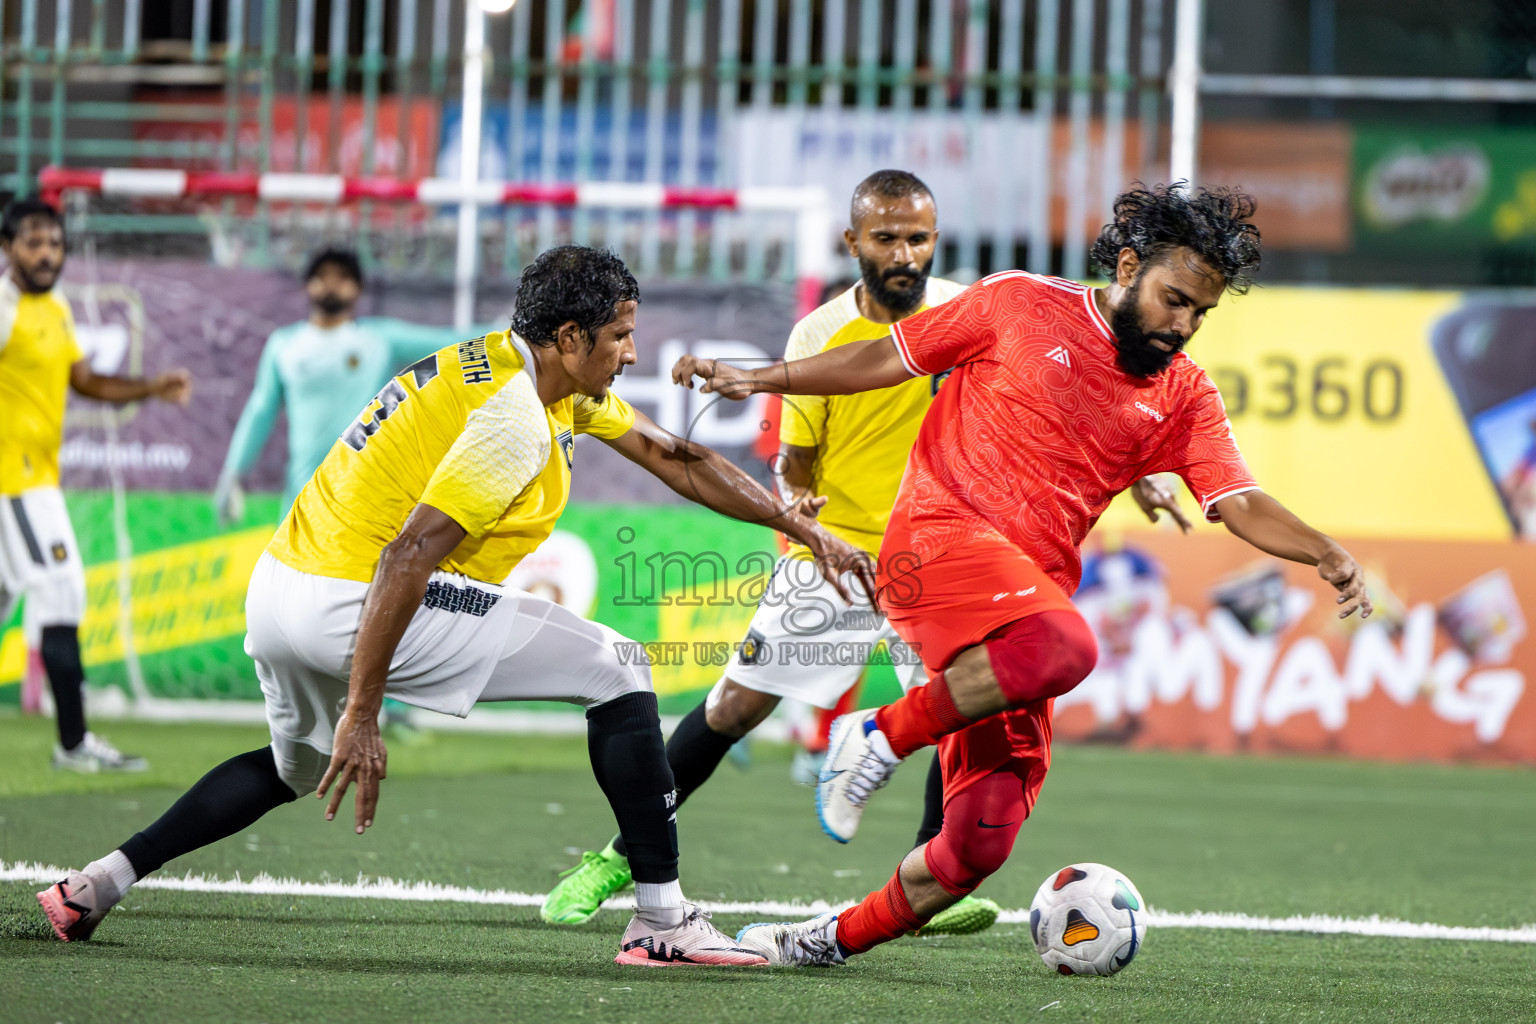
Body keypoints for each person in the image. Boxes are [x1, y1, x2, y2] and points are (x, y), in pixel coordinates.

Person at [36, 245, 866, 967]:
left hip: (281, 589)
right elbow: (409, 554)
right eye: (619, 337)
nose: (632, 353)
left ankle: (95, 883)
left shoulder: (527, 371)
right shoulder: (511, 420)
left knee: (291, 766)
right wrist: (365, 708)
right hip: (356, 600)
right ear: (572, 338)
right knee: (620, 667)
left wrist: (797, 525)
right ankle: (661, 922)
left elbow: (674, 458)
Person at [672, 183, 1373, 966]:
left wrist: (1324, 549)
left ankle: (819, 941)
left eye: (1200, 313)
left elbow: (1237, 500)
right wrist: (762, 379)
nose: (1183, 325)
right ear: (1130, 265)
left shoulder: (1183, 396)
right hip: (938, 544)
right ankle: (873, 735)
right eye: (1175, 299)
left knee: (975, 847)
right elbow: (886, 357)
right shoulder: (1014, 304)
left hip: (1018, 617)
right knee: (1071, 647)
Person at [541, 170, 1190, 939]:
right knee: (736, 705)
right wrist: (797, 502)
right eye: (886, 237)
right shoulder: (818, 336)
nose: (904, 252)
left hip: (952, 554)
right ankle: (622, 854)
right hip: (840, 552)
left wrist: (1145, 476)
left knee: (964, 708)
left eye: (918, 237)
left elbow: (1076, 403)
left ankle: (929, 875)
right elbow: (796, 456)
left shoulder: (970, 309)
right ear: (854, 243)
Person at [0, 196, 192, 772]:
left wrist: (150, 387)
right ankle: (74, 742)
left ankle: (74, 742)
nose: (46, 253)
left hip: (35, 478)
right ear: (8, 247)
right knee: (61, 590)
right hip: (16, 481)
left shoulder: (53, 306)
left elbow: (82, 380)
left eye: (54, 243)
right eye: (33, 242)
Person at [214, 247, 480, 524]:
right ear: (308, 284)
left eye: (342, 276)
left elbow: (452, 342)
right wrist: (233, 472)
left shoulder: (378, 339)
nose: (331, 283)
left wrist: (513, 330)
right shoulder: (284, 345)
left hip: (368, 498)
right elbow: (260, 410)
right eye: (322, 275)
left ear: (357, 288)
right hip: (302, 499)